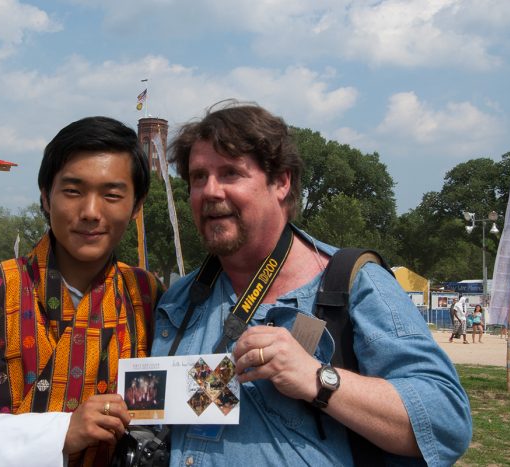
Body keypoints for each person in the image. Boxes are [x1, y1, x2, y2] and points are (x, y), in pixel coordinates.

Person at [151, 102, 471, 466]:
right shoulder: (181, 300)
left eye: (230, 173)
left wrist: (319, 380)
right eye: (198, 177)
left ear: (281, 182)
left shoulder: (353, 285)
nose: (210, 191)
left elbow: (446, 424)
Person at [0, 117, 163, 466]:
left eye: (112, 195)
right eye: (73, 191)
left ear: (136, 206)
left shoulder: (149, 297)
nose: (91, 212)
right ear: (46, 197)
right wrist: (58, 435)